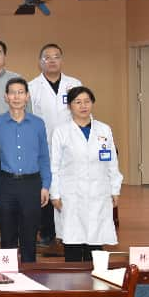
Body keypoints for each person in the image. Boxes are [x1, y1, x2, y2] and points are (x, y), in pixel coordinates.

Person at [49, 86, 122, 262]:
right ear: (69, 106)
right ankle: (73, 277)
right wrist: (55, 194)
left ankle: (95, 277)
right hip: (71, 194)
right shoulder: (61, 131)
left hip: (99, 192)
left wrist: (115, 189)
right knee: (73, 240)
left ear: (92, 103)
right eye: (78, 102)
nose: (83, 106)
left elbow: (112, 162)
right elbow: (54, 166)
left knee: (96, 241)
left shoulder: (104, 130)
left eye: (87, 101)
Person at [29, 43, 82, 251]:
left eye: (56, 56)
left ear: (62, 60)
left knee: (68, 189)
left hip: (70, 146)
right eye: (47, 57)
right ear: (40, 62)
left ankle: (70, 232)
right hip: (44, 146)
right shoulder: (32, 87)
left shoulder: (74, 84)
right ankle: (47, 232)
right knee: (45, 189)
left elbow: (82, 113)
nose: (52, 61)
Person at [0, 78, 51, 263]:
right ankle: (6, 275)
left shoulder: (38, 123)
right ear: (6, 97)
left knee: (29, 237)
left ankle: (30, 275)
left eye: (21, 92)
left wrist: (46, 185)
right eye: (12, 92)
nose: (16, 97)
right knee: (7, 236)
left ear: (27, 96)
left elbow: (44, 156)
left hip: (31, 184)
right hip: (5, 184)